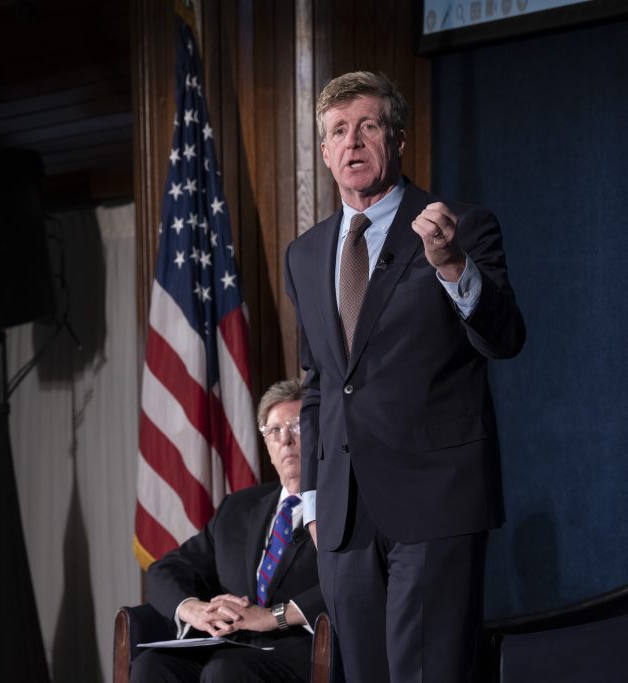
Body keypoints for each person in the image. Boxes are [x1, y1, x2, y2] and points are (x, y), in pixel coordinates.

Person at [283, 71, 525, 683]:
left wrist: (453, 266)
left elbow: (504, 338)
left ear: (397, 139)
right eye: (339, 130)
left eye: (368, 125)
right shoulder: (305, 254)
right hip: (343, 516)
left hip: (435, 501)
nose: (353, 141)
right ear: (325, 152)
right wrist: (312, 499)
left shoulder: (460, 226)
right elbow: (318, 383)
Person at [132, 379, 325, 682]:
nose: (285, 439)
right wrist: (193, 609)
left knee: (225, 669)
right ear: (267, 445)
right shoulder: (238, 509)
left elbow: (351, 582)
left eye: (297, 427)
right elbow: (164, 570)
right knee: (152, 664)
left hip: (302, 650)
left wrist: (271, 617)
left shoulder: (341, 507)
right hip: (233, 645)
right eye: (274, 430)